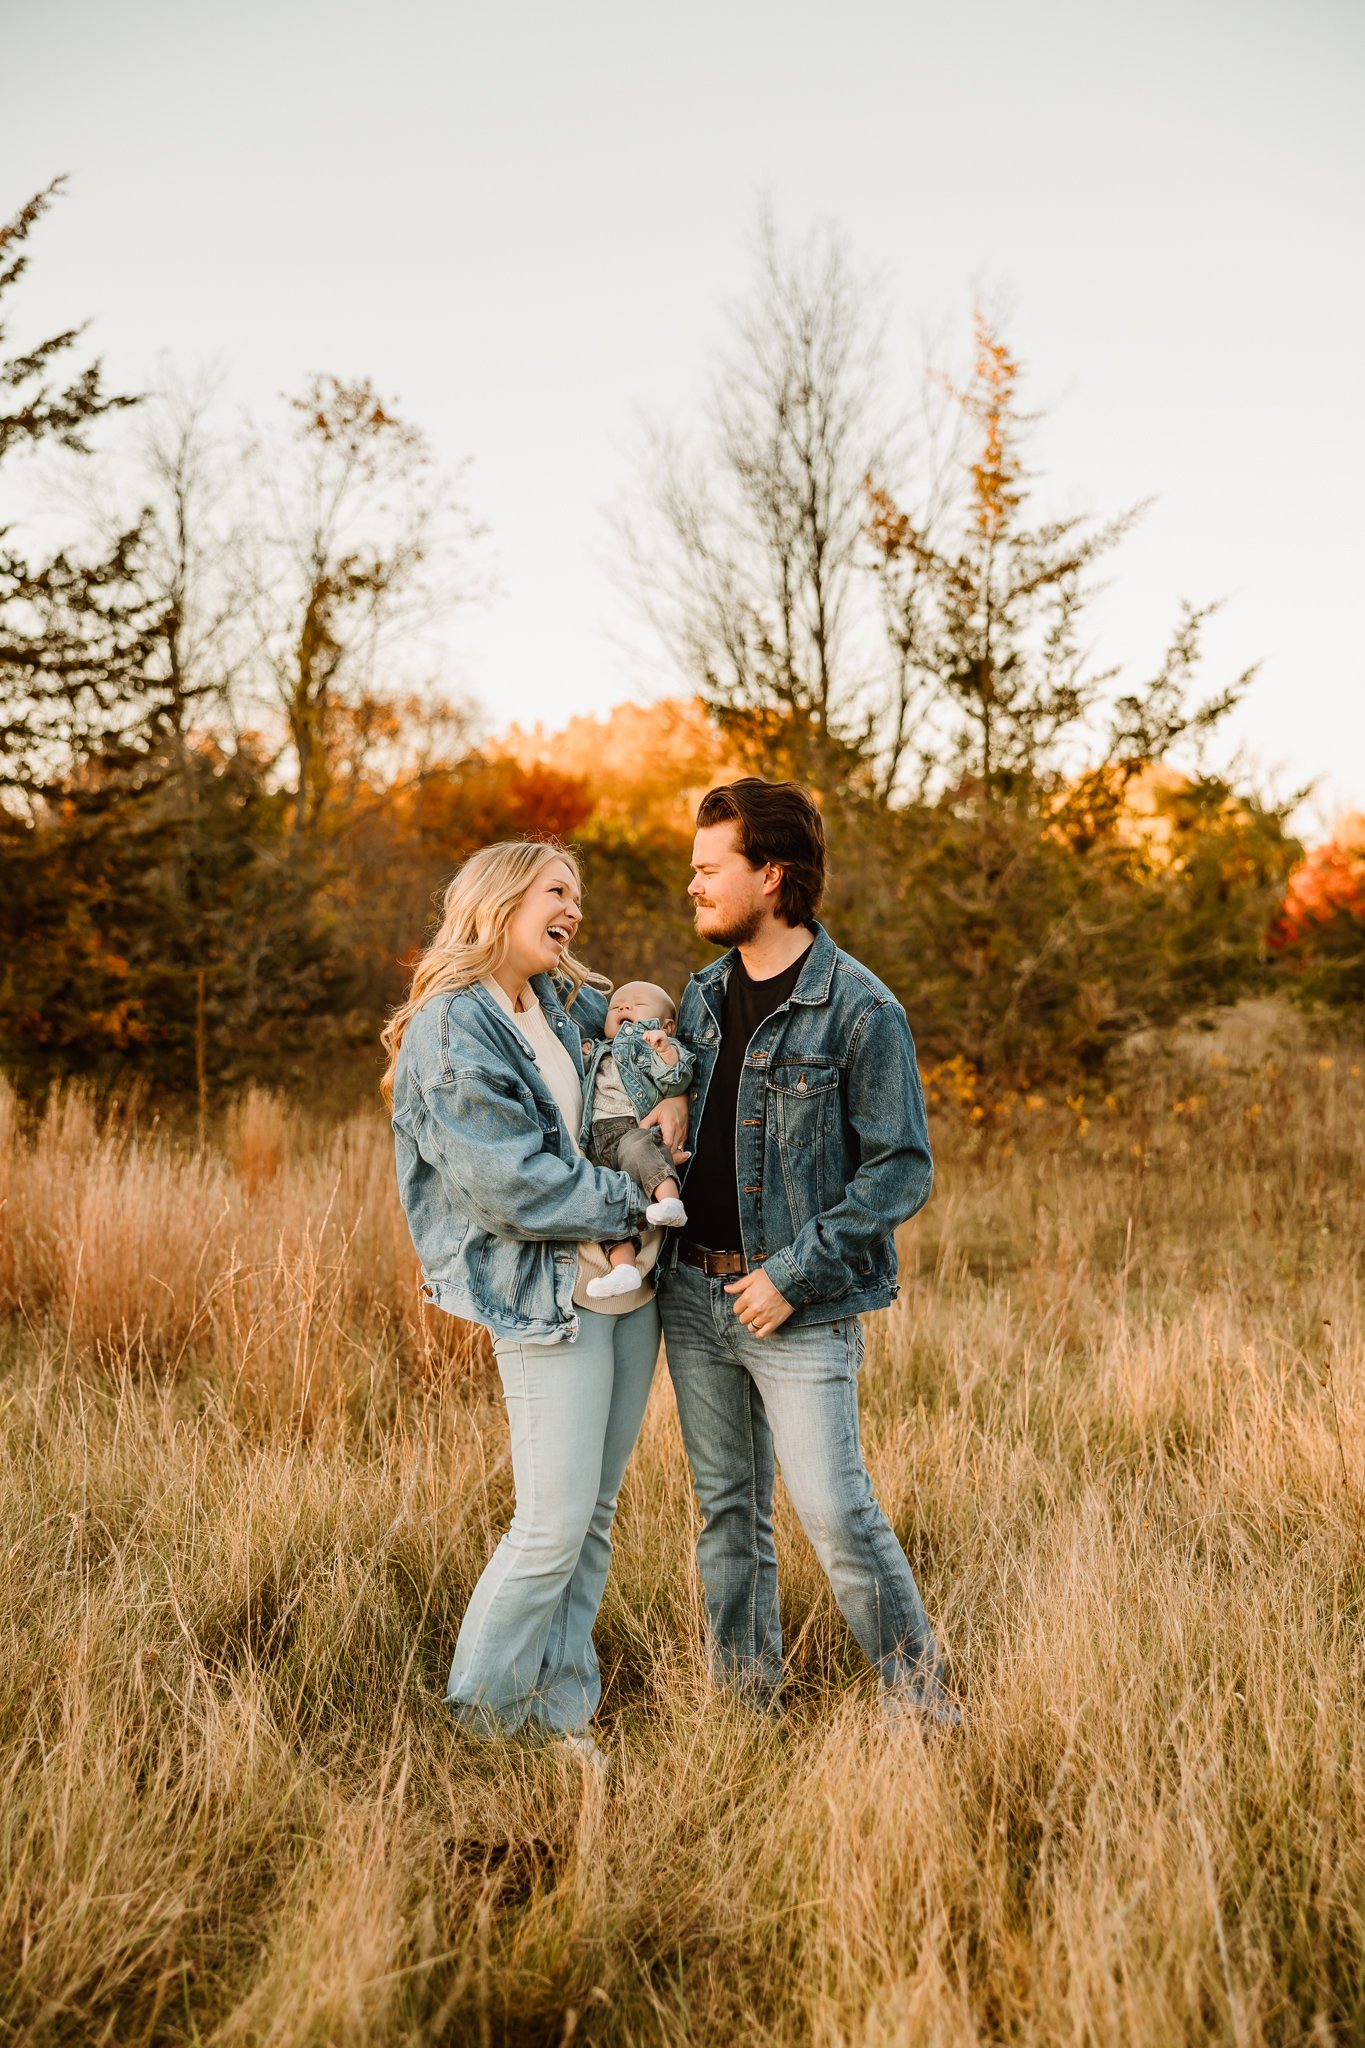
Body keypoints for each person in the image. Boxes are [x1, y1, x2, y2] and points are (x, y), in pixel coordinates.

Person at [658, 778, 961, 1730]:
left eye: (712, 869)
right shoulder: (699, 1000)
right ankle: (748, 1709)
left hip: (799, 1310)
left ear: (772, 875)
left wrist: (791, 1275)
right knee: (727, 1518)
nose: (694, 886)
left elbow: (898, 1172)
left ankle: (924, 1707)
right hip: (692, 1299)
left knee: (835, 1514)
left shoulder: (860, 1011)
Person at [382, 841, 690, 1759]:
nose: (575, 910)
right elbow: (505, 1182)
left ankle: (557, 1712)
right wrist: (632, 1203)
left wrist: (667, 1104)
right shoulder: (453, 1026)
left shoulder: (561, 1002)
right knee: (549, 1523)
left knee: (591, 1520)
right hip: (548, 1292)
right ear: (499, 899)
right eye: (558, 891)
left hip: (627, 1290)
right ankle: (480, 1721)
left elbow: (654, 1045)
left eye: (579, 896)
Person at [579, 980, 693, 1300]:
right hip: (597, 1145)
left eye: (637, 1005)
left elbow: (678, 1078)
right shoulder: (598, 1048)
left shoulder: (653, 1046)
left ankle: (670, 1201)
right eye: (617, 1005)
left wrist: (665, 1050)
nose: (624, 1007)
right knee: (601, 1200)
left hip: (633, 1128)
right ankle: (623, 1268)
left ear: (667, 1025)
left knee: (640, 1149)